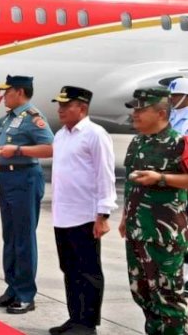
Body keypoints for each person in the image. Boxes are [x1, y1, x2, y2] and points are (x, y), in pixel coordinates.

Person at [0, 75, 54, 314]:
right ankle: (12, 288)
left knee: (23, 238)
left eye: (7, 91)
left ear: (20, 92)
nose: (4, 96)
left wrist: (20, 150)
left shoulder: (33, 117)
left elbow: (51, 147)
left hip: (24, 178)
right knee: (10, 237)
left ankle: (25, 294)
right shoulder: (12, 117)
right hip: (6, 179)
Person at [120, 87, 188, 335]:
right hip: (138, 231)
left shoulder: (179, 143)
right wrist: (126, 218)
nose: (135, 114)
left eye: (141, 109)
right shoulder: (137, 142)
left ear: (161, 113)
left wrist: (160, 178)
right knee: (143, 293)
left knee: (169, 296)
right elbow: (131, 184)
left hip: (164, 235)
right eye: (134, 109)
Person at [49, 86, 117, 334]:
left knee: (88, 271)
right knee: (69, 268)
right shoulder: (61, 135)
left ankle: (88, 324)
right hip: (62, 215)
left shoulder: (95, 134)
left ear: (82, 108)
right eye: (60, 105)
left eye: (66, 105)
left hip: (85, 215)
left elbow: (105, 175)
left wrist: (103, 214)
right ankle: (75, 318)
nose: (61, 110)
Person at [168, 77, 188, 296]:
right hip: (175, 182)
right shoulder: (173, 115)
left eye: (176, 95)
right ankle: (180, 275)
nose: (172, 99)